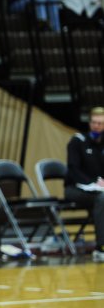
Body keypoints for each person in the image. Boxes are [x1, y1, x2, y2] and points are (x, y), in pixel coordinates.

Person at [64, 106, 104, 261]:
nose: (97, 126)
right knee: (102, 199)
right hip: (76, 189)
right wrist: (92, 183)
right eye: (94, 122)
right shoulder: (77, 141)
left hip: (99, 189)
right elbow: (73, 169)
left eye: (100, 123)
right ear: (89, 123)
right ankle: (101, 247)